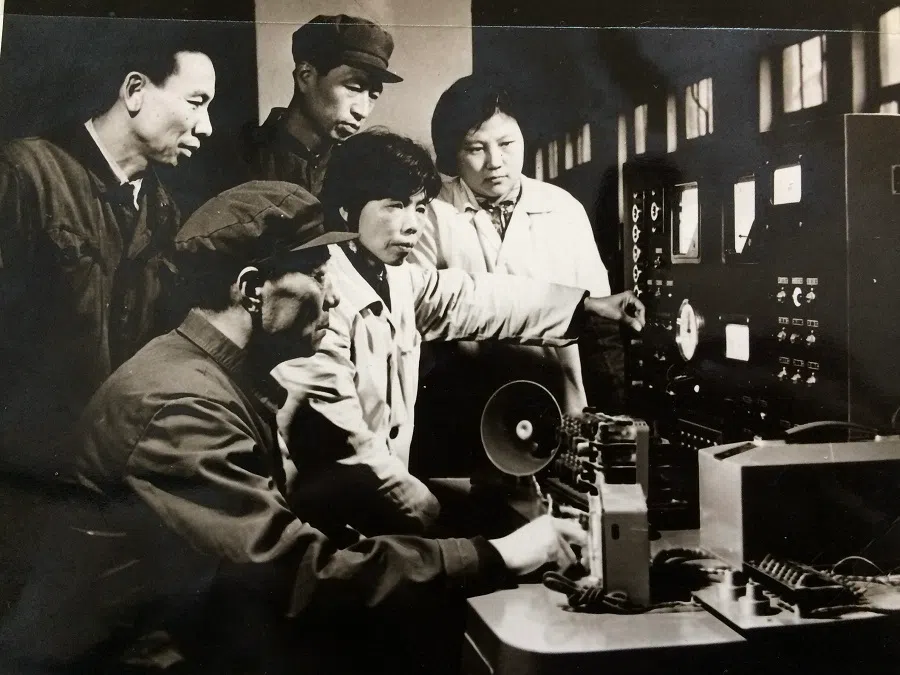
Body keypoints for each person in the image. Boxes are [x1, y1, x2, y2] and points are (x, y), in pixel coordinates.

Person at [0, 181, 587, 675]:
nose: (333, 298)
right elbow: (297, 576)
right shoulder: (182, 404)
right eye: (316, 274)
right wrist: (498, 555)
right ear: (255, 289)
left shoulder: (202, 371)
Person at [274, 130, 645, 536]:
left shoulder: (397, 277)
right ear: (346, 210)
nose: (411, 225)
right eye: (395, 206)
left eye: (418, 208)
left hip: (380, 501)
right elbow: (340, 441)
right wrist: (432, 514)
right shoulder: (316, 294)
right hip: (329, 517)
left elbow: (480, 297)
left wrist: (587, 305)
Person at [0, 36, 216, 480]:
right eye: (196, 102)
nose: (207, 125)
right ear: (135, 90)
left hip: (106, 472)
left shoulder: (163, 213)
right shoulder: (23, 173)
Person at [407, 75, 618, 476]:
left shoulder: (562, 208)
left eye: (506, 144)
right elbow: (423, 312)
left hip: (554, 395)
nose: (495, 162)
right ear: (453, 151)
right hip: (460, 402)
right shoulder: (429, 213)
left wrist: (595, 409)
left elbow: (599, 326)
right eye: (476, 148)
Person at [242, 14, 401, 195]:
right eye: (353, 88)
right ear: (306, 76)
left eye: (373, 96)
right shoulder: (242, 157)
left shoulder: (362, 172)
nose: (362, 111)